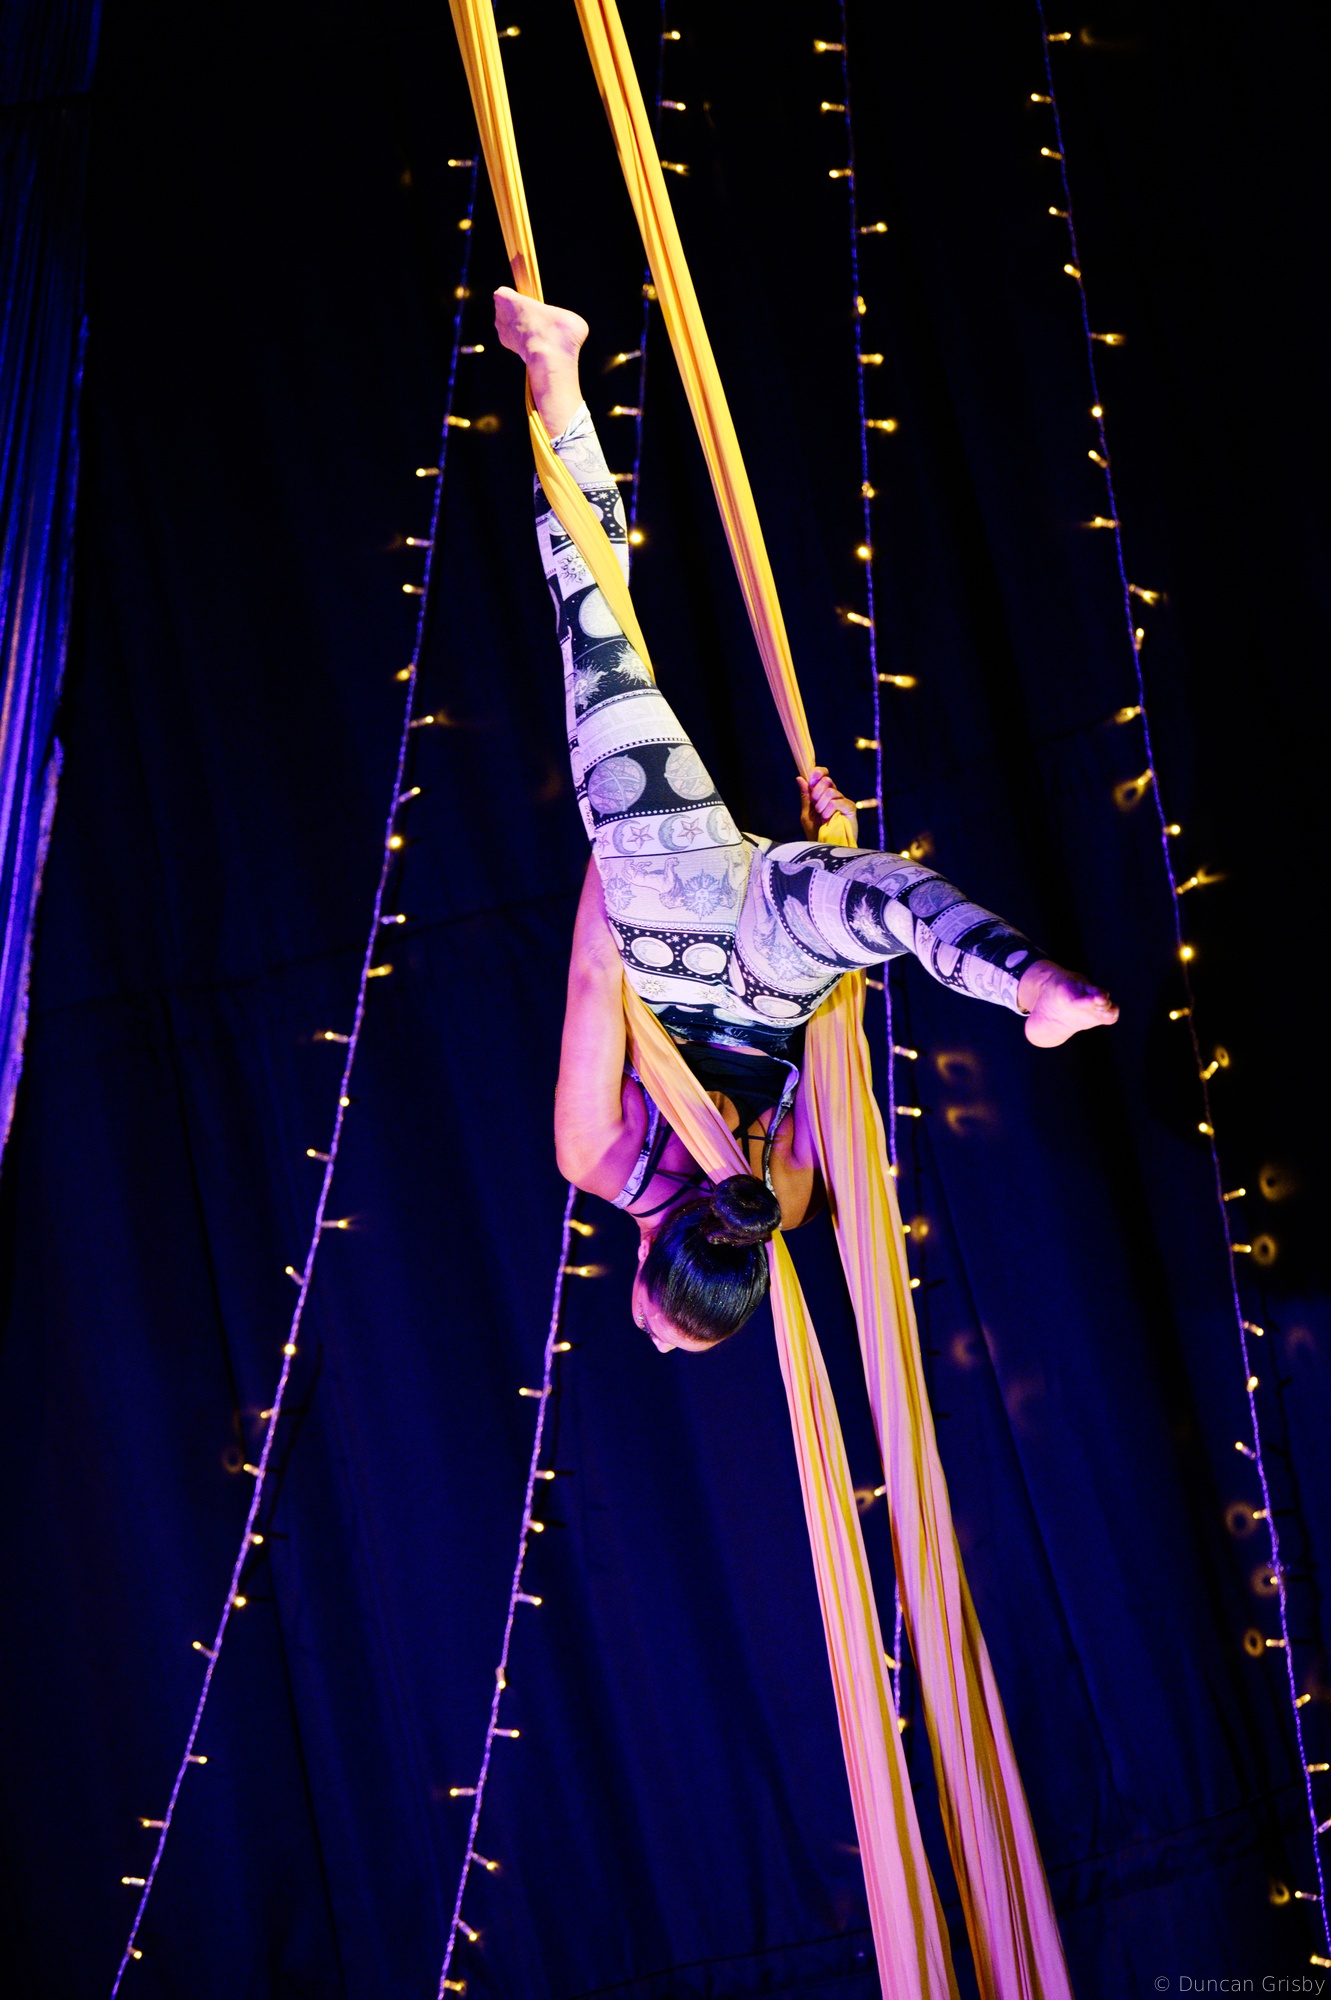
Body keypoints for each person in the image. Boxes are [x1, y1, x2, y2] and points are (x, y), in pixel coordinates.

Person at [495, 288, 1119, 1355]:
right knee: (598, 645)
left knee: (887, 906)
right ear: (646, 1272)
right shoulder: (596, 1158)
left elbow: (829, 1057)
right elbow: (596, 975)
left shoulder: (782, 1204)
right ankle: (554, 371)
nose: (656, 1342)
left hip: (776, 970)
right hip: (673, 923)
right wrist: (622, 839)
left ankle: (1028, 984)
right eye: (666, 1331)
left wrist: (818, 868)